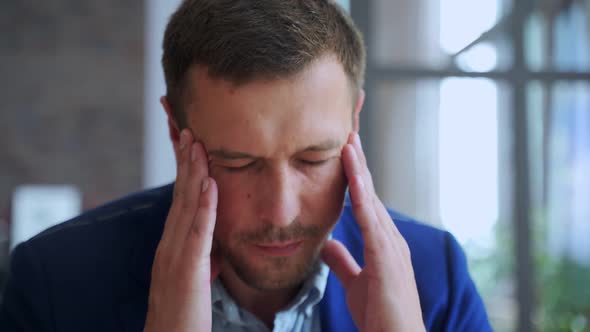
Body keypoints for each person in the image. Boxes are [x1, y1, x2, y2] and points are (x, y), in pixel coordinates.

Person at [0, 0, 492, 331]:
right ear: (177, 133)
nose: (280, 213)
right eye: (237, 163)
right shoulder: (52, 284)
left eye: (313, 158)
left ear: (353, 124)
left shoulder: (435, 279)